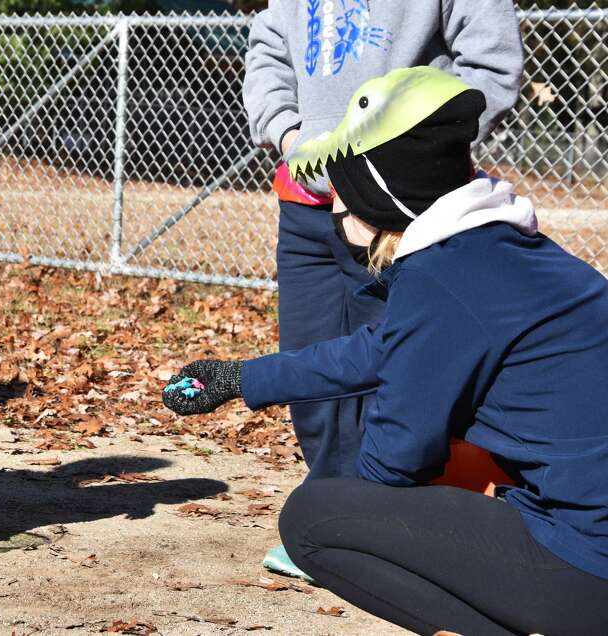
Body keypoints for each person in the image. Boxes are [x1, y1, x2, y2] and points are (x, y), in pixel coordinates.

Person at [164, 66, 608, 634]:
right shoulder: (506, 248)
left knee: (314, 518)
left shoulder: (440, 280)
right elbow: (378, 350)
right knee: (455, 464)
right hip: (589, 527)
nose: (331, 211)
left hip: (589, 561)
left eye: (341, 195)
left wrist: (358, 503)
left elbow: (395, 459)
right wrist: (241, 379)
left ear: (379, 195)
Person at [243, 0, 524, 481]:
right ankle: (334, 505)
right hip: (306, 203)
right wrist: (290, 137)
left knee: (405, 371)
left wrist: (408, 155)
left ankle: (399, 509)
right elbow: (268, 49)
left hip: (403, 209)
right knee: (309, 368)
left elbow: (492, 68)